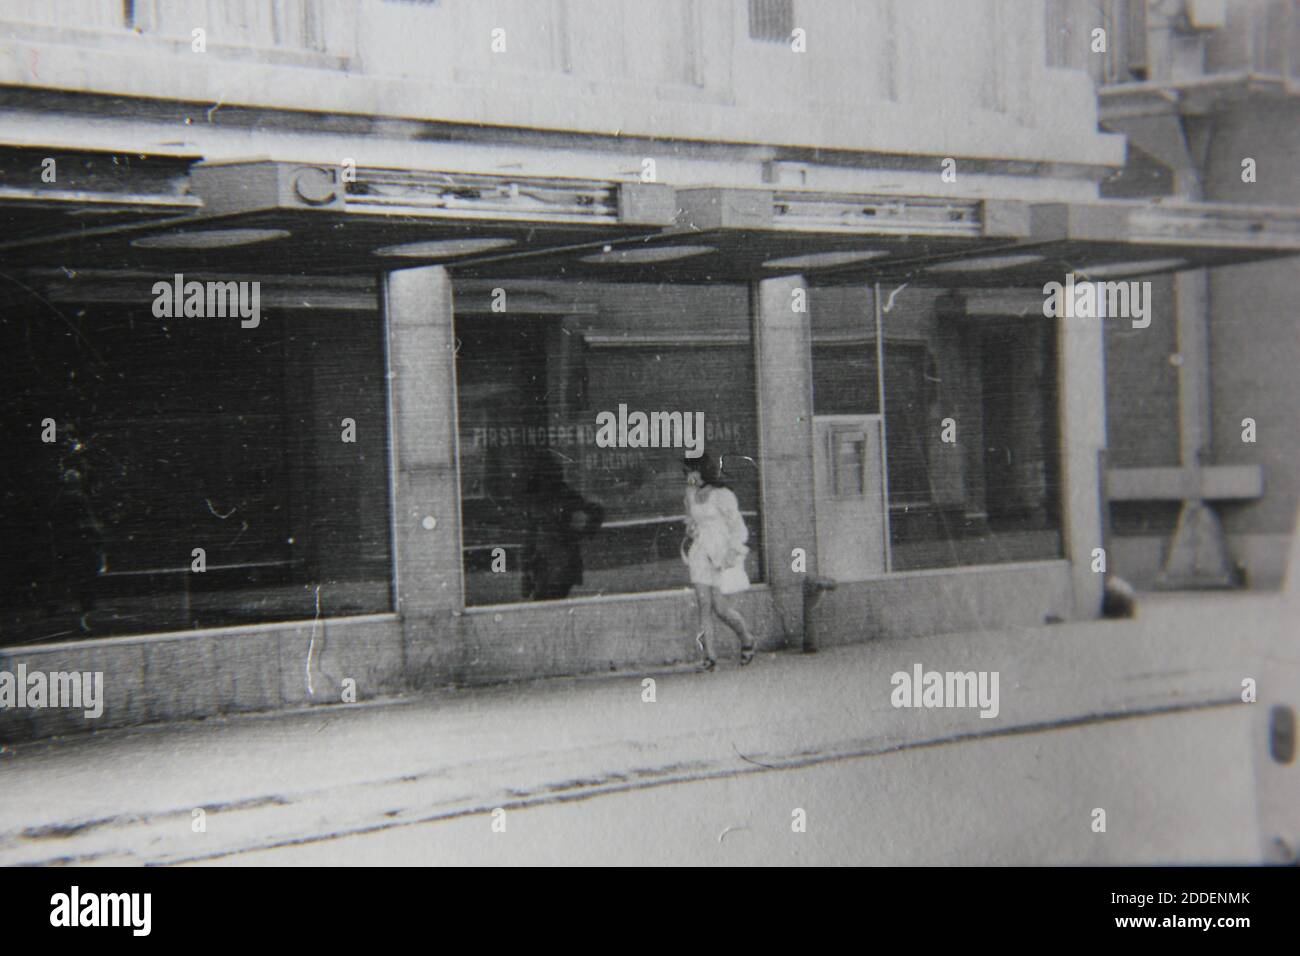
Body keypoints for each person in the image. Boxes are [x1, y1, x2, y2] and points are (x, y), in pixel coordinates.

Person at [682, 450, 756, 670]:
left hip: (721, 554)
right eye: (685, 472)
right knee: (704, 606)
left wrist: (732, 553)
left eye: (689, 471)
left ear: (701, 470)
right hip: (700, 553)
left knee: (721, 608)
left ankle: (747, 639)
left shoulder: (723, 495)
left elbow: (738, 527)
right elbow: (690, 520)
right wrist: (691, 528)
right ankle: (709, 657)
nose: (687, 476)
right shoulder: (690, 493)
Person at [521, 450, 606, 601]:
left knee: (551, 598)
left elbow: (596, 511)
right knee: (544, 601)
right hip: (544, 561)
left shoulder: (564, 495)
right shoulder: (536, 500)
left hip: (562, 559)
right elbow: (530, 537)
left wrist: (584, 532)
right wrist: (526, 572)